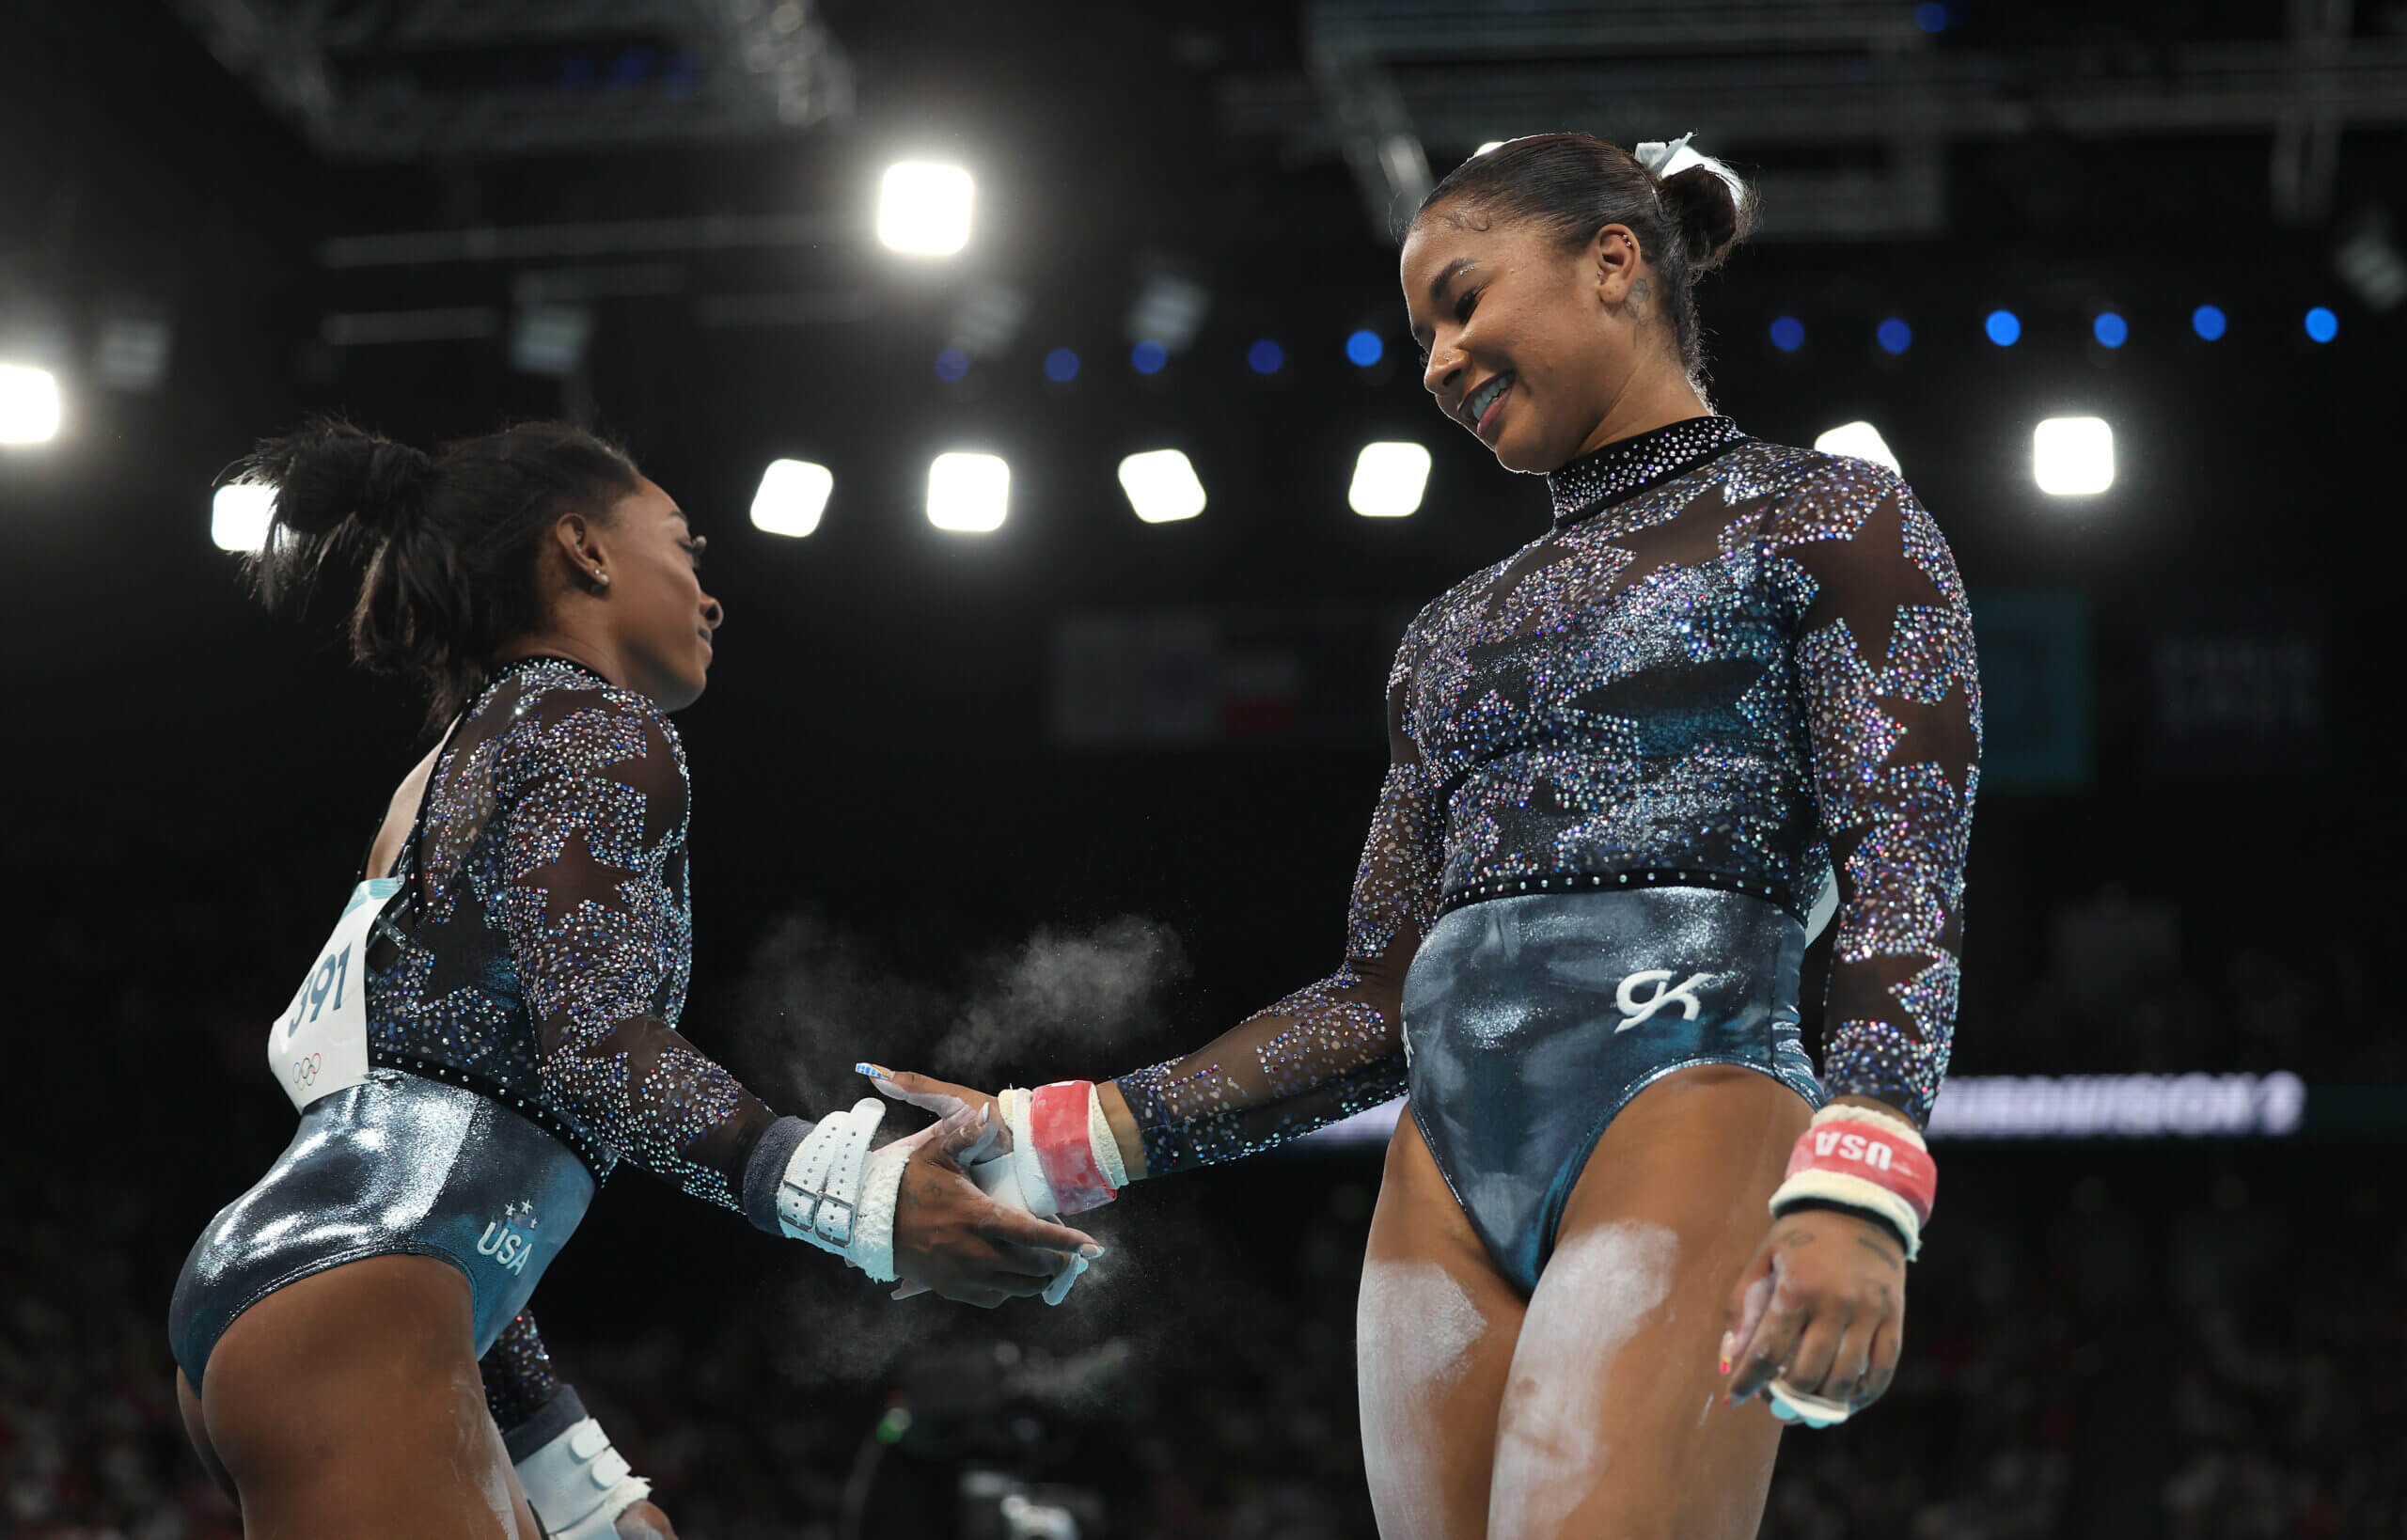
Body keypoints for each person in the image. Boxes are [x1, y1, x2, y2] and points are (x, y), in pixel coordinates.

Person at [870, 132, 1979, 1538]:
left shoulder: (1829, 517)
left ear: (1614, 262)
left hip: (1686, 1093)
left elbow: (1905, 877)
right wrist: (1064, 1138)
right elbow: (1376, 999)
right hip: (1442, 1165)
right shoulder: (1450, 636)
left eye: (1462, 300)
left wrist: (1864, 1179)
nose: (1437, 360)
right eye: (1419, 332)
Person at [167, 420, 1103, 1539]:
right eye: (686, 545)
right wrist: (856, 1195)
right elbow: (597, 1046)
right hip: (360, 1298)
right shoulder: (594, 725)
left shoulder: (435, 778)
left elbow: (440, 1167)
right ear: (585, 550)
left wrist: (572, 1477)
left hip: (324, 1286)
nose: (710, 594)